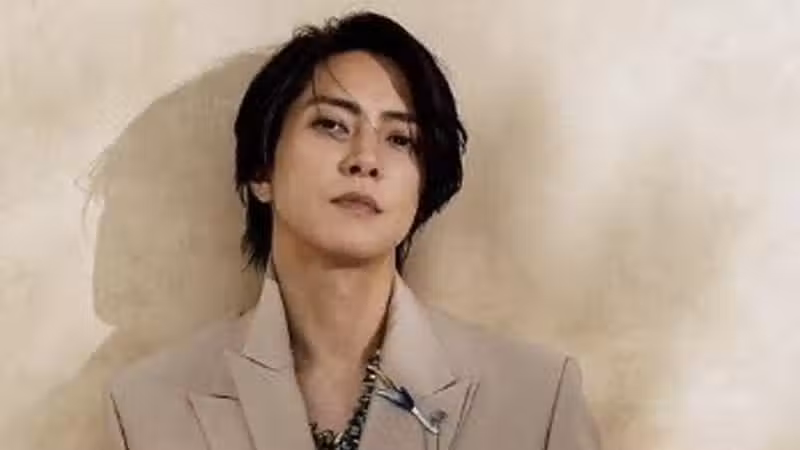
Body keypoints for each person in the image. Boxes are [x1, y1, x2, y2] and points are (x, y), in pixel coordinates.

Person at [105, 11, 601, 450]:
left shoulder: (536, 399)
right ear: (261, 170)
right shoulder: (149, 407)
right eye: (332, 125)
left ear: (423, 186)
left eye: (400, 139)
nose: (366, 159)